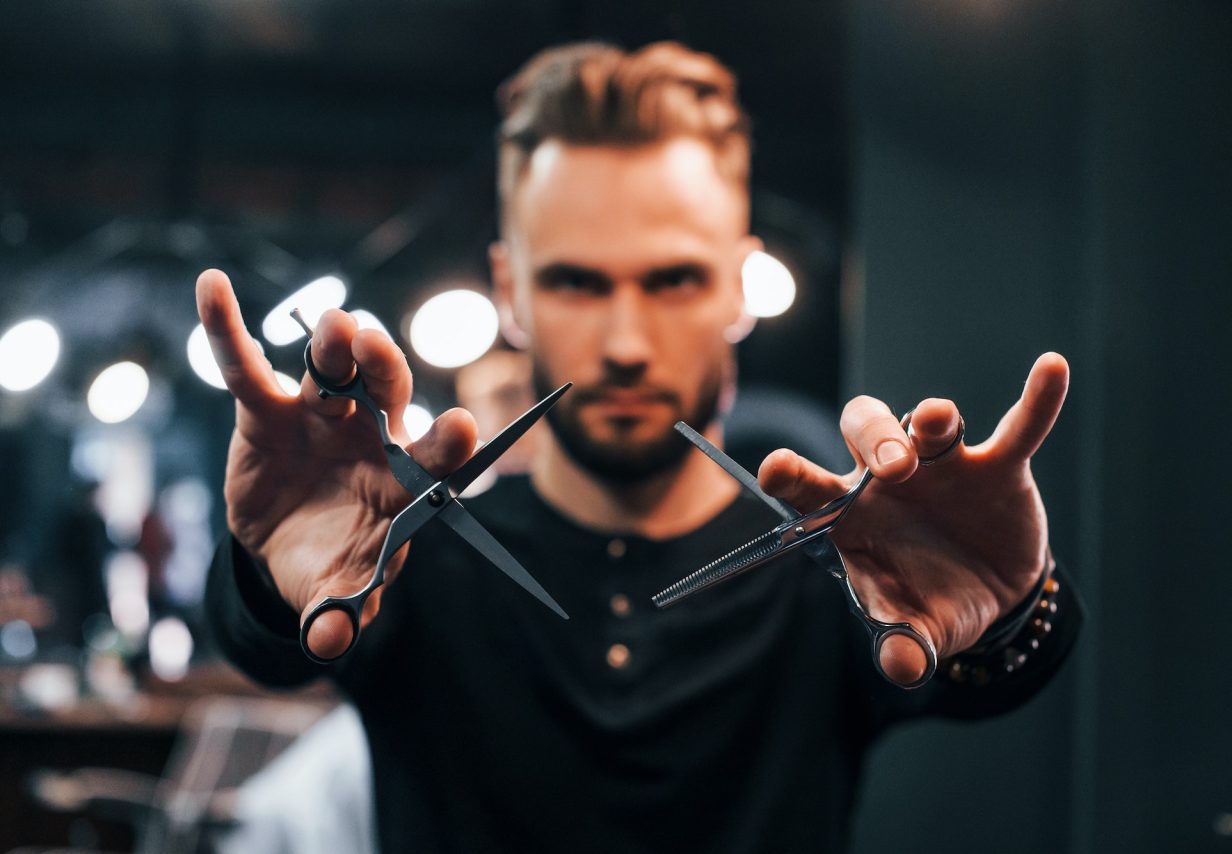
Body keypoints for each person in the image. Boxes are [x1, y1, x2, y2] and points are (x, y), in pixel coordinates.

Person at [197, 41, 1079, 853]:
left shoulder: (846, 570)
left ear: (741, 285)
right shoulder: (405, 562)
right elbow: (270, 646)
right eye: (577, 280)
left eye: (673, 278)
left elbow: (996, 676)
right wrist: (269, 577)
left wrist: (1012, 604)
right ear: (511, 290)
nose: (625, 340)